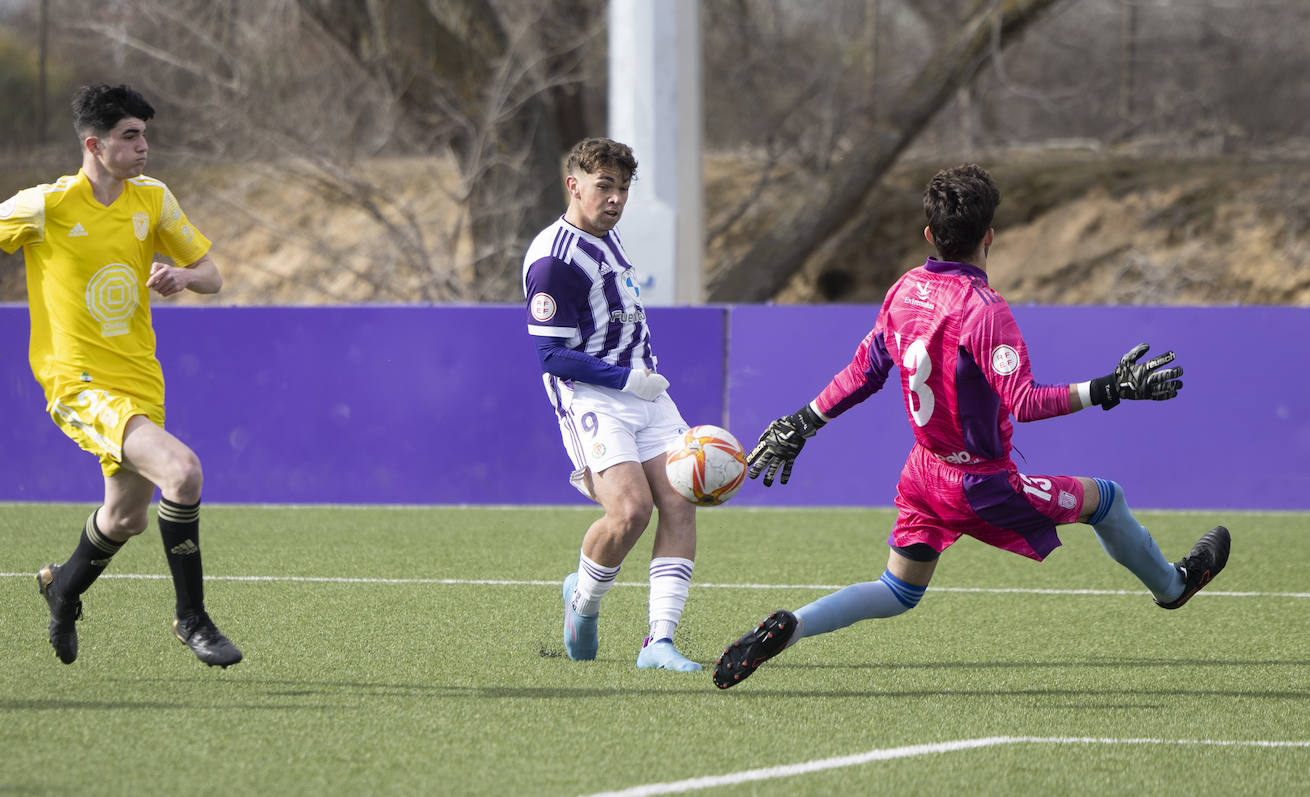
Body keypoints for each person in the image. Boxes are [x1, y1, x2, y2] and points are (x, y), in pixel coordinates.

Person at [713, 162, 1229, 689]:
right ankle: (1173, 586)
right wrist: (1110, 388)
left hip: (922, 473)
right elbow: (1025, 402)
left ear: (930, 236)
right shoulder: (985, 311)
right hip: (981, 484)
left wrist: (802, 422)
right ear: (990, 237)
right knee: (1108, 499)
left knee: (897, 590)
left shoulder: (904, 289)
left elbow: (864, 373)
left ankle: (792, 625)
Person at [0, 83, 242, 669]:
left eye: (145, 135)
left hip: (139, 377)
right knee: (183, 473)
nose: (144, 147)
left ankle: (62, 588)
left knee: (127, 517)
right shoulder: (46, 205)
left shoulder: (152, 200)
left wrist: (183, 280)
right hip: (76, 382)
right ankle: (192, 620)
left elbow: (212, 275)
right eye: (130, 136)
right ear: (94, 144)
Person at [522, 137, 703, 671]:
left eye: (622, 188)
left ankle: (660, 643)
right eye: (604, 186)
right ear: (573, 185)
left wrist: (641, 379)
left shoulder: (606, 235)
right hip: (594, 397)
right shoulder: (555, 262)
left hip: (645, 391)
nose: (616, 198)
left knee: (678, 503)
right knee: (630, 512)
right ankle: (583, 602)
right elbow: (552, 356)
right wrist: (627, 380)